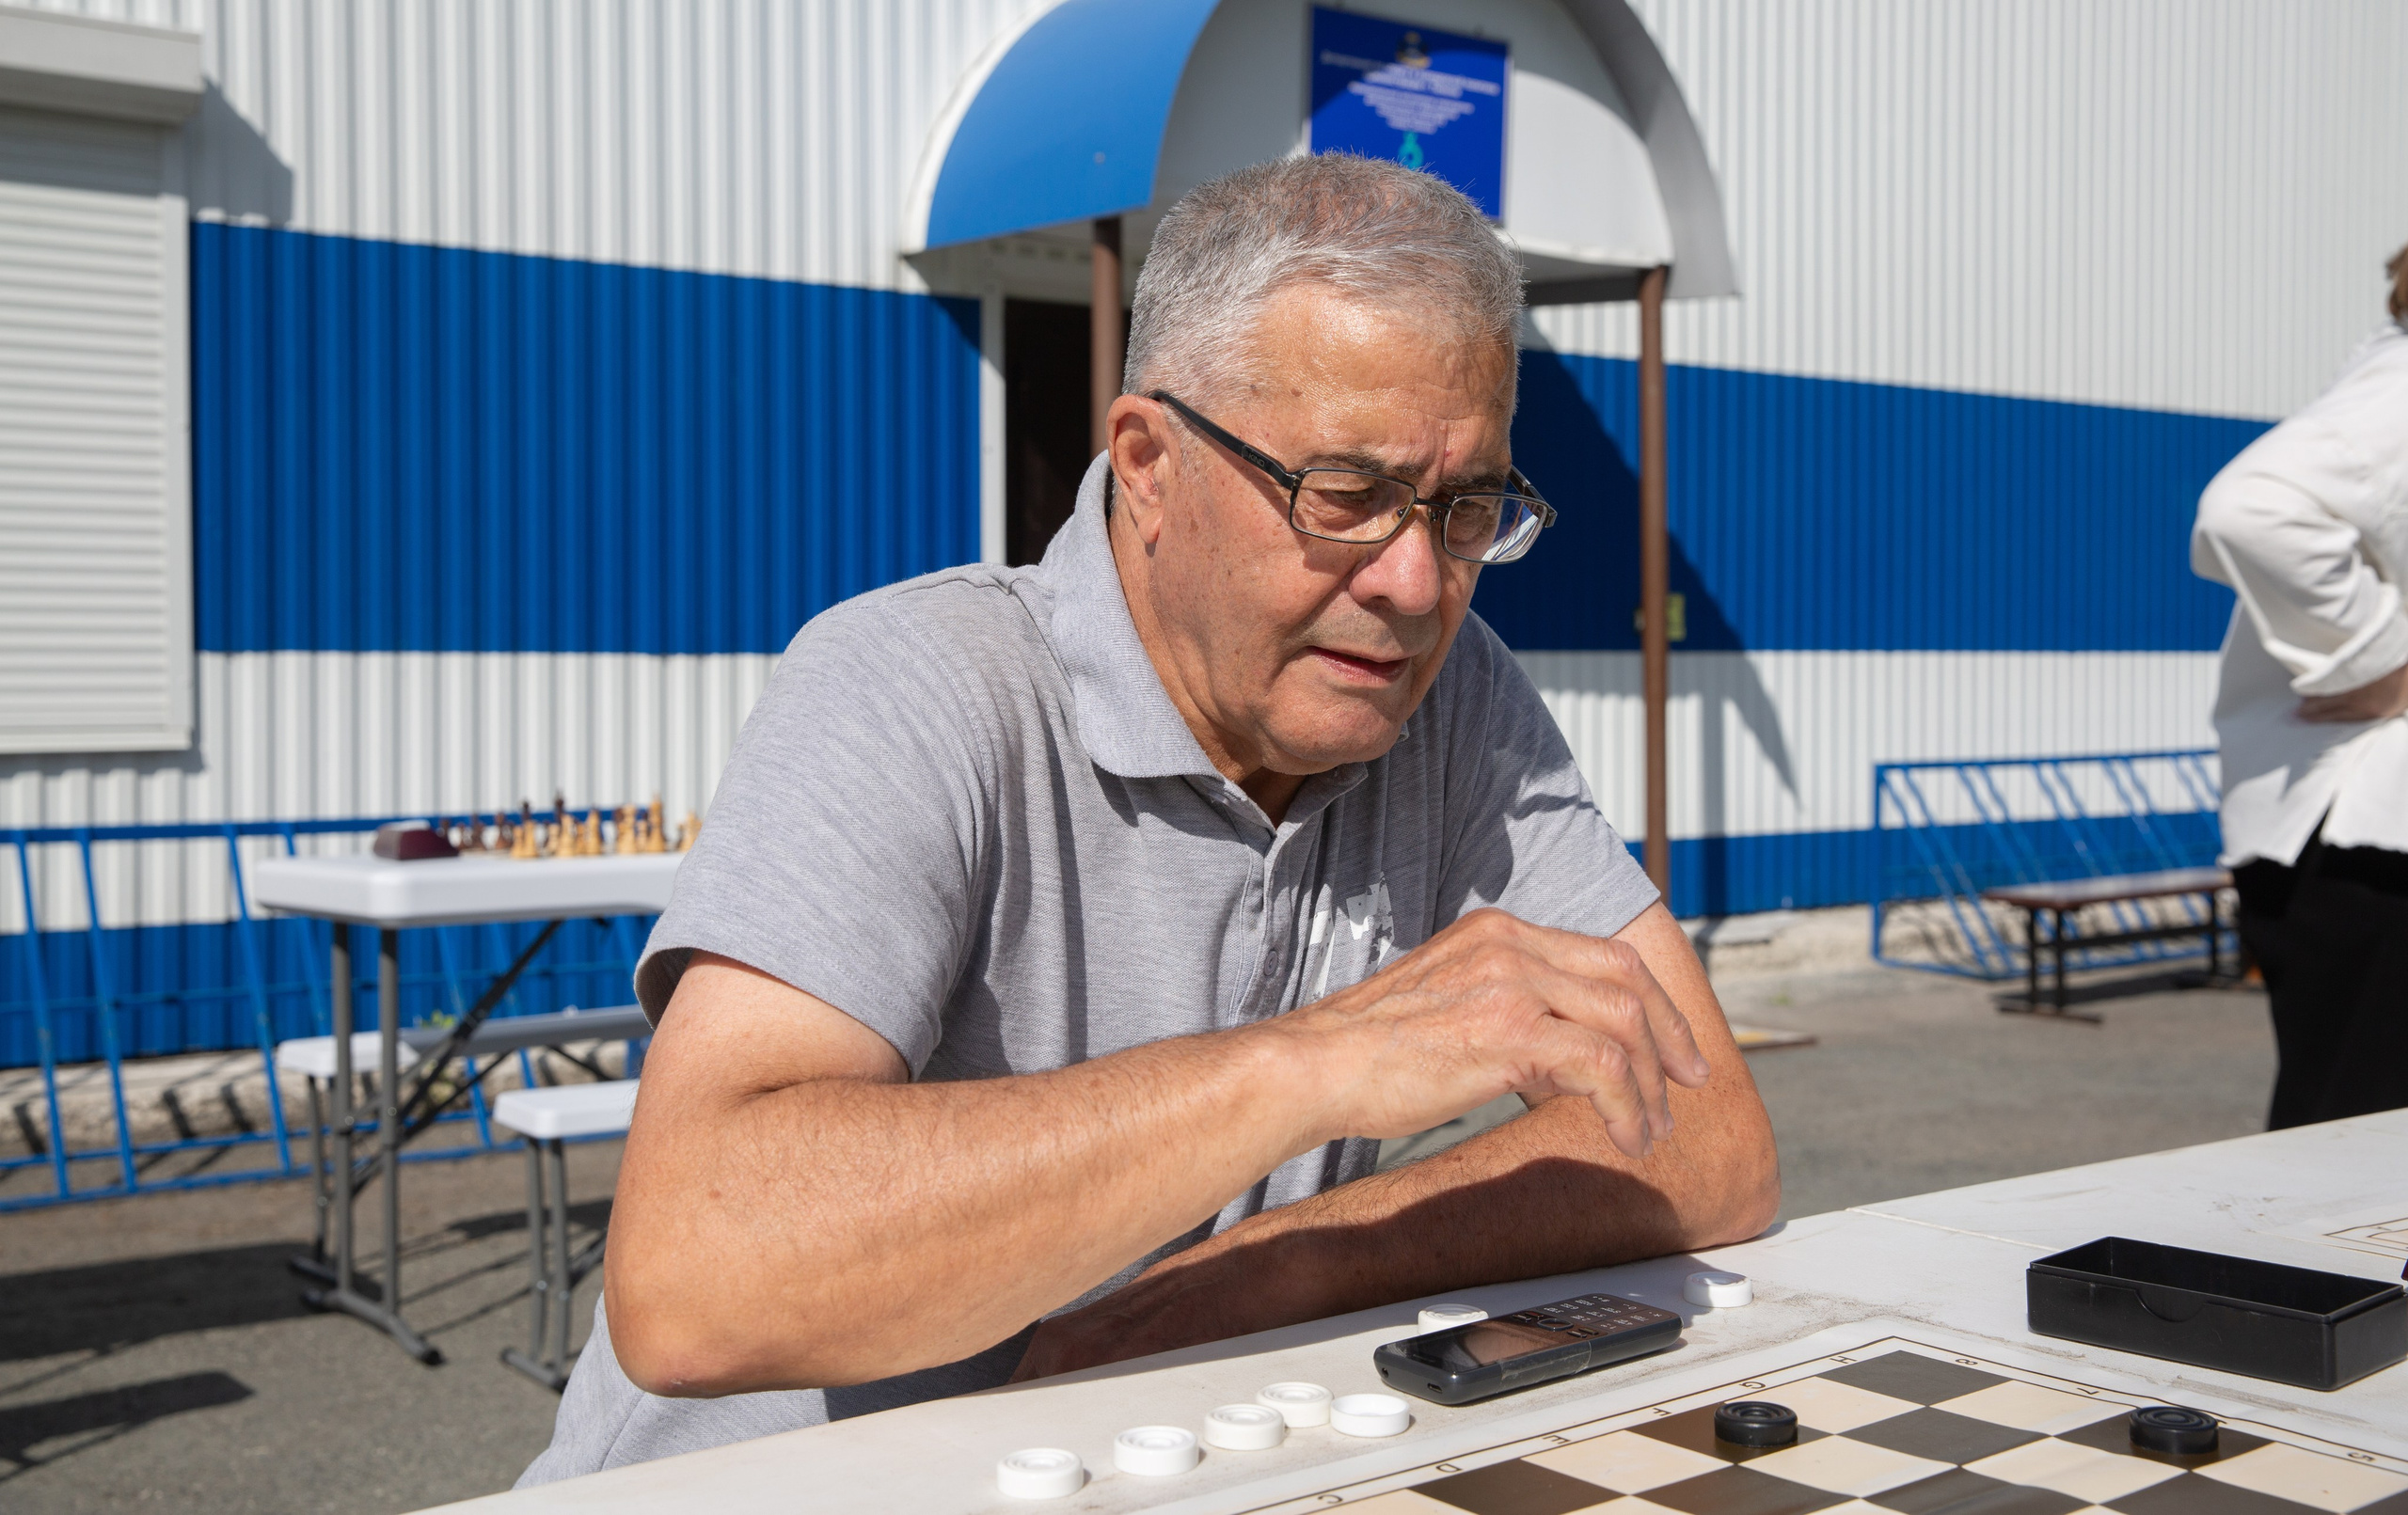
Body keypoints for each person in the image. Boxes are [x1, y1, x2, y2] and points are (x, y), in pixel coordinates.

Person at [520, 155, 1779, 1485]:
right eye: (1345, 495)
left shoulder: (1454, 695)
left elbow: (1709, 1137)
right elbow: (694, 1274)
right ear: (1148, 465)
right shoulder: (917, 678)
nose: (1416, 584)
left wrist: (1260, 1268)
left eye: (1466, 510)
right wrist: (1312, 1063)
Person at [2192, 242, 2408, 1130]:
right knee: (2356, 1171)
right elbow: (2254, 507)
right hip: (2369, 842)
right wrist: (2382, 663)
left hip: (2350, 842)